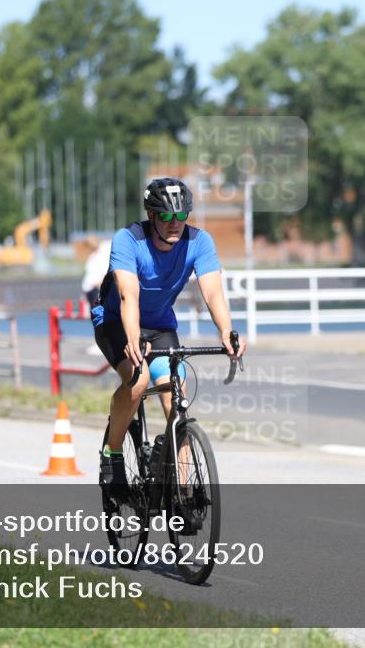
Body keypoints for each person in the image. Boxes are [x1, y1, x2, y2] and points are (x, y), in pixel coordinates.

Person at [92, 177, 246, 497]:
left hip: (161, 326)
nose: (174, 224)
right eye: (165, 217)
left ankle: (184, 490)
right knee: (137, 380)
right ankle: (113, 454)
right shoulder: (128, 240)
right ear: (151, 216)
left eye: (181, 216)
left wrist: (226, 332)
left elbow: (213, 291)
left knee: (175, 394)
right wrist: (133, 339)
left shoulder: (199, 242)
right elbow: (127, 295)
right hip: (116, 322)